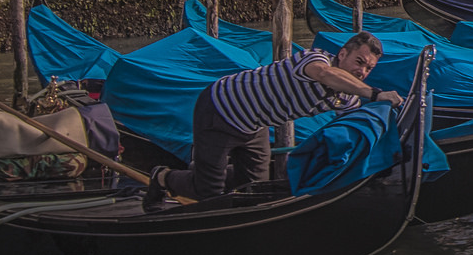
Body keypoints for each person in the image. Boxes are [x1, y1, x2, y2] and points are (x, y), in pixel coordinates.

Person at [145, 31, 401, 207]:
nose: (362, 72)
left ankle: (206, 170)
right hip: (220, 108)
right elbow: (324, 75)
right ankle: (162, 176)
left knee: (254, 186)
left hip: (254, 125)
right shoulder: (315, 58)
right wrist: (375, 94)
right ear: (342, 54)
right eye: (359, 62)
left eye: (368, 69)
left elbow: (356, 129)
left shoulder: (347, 97)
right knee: (208, 194)